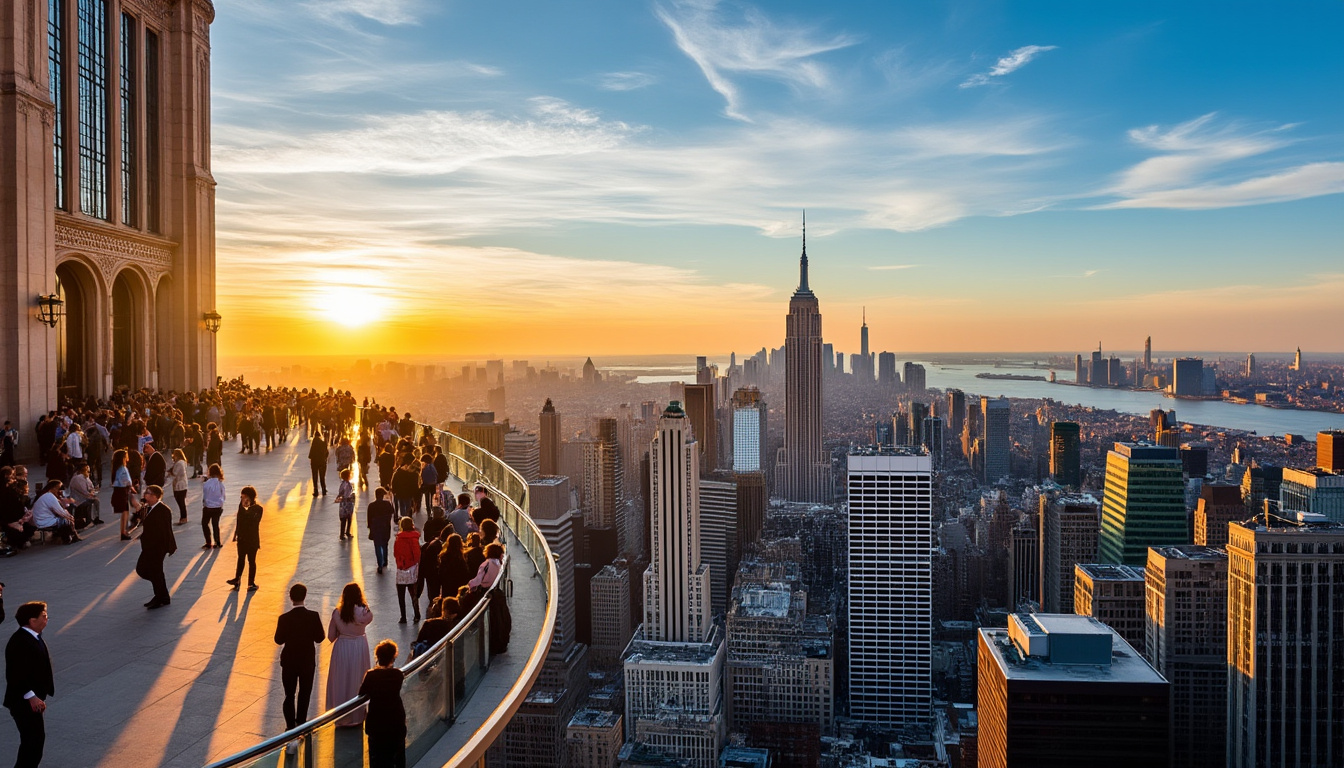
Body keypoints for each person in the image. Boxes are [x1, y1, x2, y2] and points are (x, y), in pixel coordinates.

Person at [4, 601, 54, 768]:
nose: (47, 619)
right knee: (32, 744)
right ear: (32, 620)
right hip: (23, 703)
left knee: (34, 742)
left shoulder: (32, 637)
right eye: (44, 616)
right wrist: (31, 696)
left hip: (31, 701)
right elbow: (15, 674)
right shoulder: (20, 642)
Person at [274, 583, 324, 735]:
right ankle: (301, 722)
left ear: (291, 598)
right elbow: (320, 637)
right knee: (305, 692)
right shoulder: (313, 616)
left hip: (289, 661)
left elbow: (278, 640)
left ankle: (290, 726)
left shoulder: (284, 618)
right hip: (307, 661)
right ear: (305, 596)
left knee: (289, 694)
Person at [326, 582, 373, 727]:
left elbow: (331, 636)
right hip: (359, 646)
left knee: (340, 680)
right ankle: (357, 716)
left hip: (342, 647)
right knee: (357, 679)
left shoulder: (337, 613)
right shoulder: (365, 612)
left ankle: (340, 716)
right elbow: (369, 618)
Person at [359, 640, 406, 768]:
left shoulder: (371, 676)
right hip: (396, 722)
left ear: (377, 657)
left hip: (377, 723)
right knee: (398, 757)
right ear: (393, 657)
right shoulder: (397, 675)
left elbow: (362, 693)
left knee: (378, 759)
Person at [136, 485, 177, 609]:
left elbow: (164, 531)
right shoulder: (149, 508)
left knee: (154, 571)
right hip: (149, 547)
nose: (145, 495)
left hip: (157, 548)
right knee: (144, 570)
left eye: (147, 493)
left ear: (155, 496)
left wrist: (163, 548)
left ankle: (161, 597)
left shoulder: (163, 510)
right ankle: (162, 595)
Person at [227, 486, 263, 591]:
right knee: (240, 559)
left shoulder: (258, 509)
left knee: (251, 561)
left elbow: (253, 521)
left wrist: (246, 509)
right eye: (241, 497)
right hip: (242, 538)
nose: (242, 500)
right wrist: (235, 534)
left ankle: (251, 583)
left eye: (245, 497)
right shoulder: (241, 507)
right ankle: (237, 580)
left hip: (252, 539)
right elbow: (239, 520)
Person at [393, 518, 422, 624]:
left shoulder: (399, 538)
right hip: (412, 569)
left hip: (401, 569)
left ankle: (403, 616)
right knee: (413, 594)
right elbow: (417, 554)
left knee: (401, 595)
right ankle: (416, 614)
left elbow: (395, 553)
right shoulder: (414, 538)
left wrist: (401, 563)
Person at [111, 449, 137, 541]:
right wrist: (131, 486)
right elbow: (125, 480)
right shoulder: (122, 468)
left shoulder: (118, 468)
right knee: (125, 512)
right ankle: (123, 532)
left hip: (121, 490)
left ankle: (124, 531)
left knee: (125, 512)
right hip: (122, 491)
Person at [367, 488, 394, 574]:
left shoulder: (371, 506)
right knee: (385, 544)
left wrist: (370, 528)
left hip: (375, 526)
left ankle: (380, 564)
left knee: (377, 545)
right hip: (385, 526)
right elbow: (392, 512)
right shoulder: (387, 504)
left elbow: (369, 518)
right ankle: (385, 561)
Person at [438, 534, 471, 601]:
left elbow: (440, 573)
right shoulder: (462, 558)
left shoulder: (444, 557)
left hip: (447, 587)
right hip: (458, 587)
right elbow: (465, 574)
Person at [418, 526, 444, 608]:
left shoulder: (428, 546)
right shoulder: (438, 546)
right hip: (433, 572)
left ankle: (433, 605)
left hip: (430, 573)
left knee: (432, 592)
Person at [201, 463, 225, 549]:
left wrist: (205, 503)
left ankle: (208, 542)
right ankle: (217, 542)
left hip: (208, 507)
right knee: (215, 524)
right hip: (218, 507)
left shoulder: (207, 483)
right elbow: (223, 495)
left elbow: (205, 495)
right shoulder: (220, 483)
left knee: (205, 524)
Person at [169, 449, 190, 525]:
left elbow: (175, 473)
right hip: (181, 484)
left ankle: (183, 517)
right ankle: (183, 517)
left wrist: (170, 471)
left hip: (180, 485)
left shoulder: (179, 463)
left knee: (181, 502)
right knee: (181, 502)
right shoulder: (181, 462)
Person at [335, 469, 355, 541]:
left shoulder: (342, 483)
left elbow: (340, 492)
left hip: (343, 503)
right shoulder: (348, 484)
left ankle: (342, 533)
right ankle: (347, 532)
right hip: (347, 503)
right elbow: (347, 494)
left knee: (343, 519)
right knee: (348, 518)